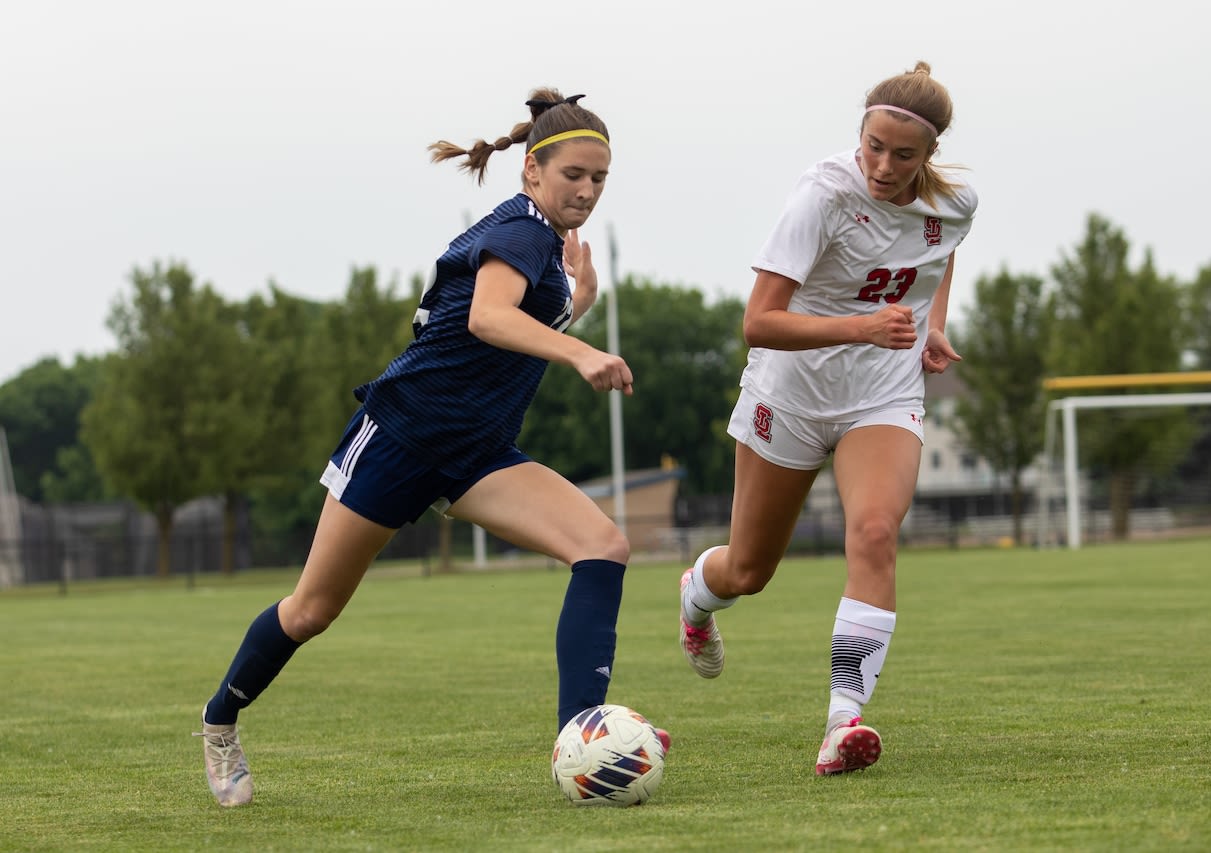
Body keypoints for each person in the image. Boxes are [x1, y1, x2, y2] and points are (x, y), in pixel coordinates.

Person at [194, 88, 667, 807]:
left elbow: (518, 321)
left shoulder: (539, 242)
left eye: (600, 179)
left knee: (602, 546)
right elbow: (487, 318)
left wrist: (578, 300)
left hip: (476, 453)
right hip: (401, 439)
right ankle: (220, 720)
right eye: (574, 174)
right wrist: (578, 350)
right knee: (311, 610)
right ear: (532, 173)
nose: (587, 190)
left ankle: (582, 737)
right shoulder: (520, 231)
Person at [677, 61, 978, 776]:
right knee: (748, 570)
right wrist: (862, 328)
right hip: (791, 395)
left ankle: (844, 722)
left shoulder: (959, 201)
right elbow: (758, 322)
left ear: (928, 156)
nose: (881, 165)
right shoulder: (823, 195)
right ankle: (694, 599)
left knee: (875, 532)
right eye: (872, 145)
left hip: (882, 394)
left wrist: (934, 321)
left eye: (902, 155)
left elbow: (943, 248)